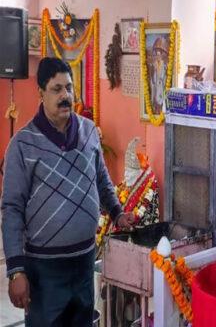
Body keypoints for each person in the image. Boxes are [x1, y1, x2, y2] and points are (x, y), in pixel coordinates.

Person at [1, 57, 136, 326]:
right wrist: (16, 271)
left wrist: (118, 214)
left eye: (69, 88)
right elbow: (12, 209)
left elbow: (101, 179)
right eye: (56, 89)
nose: (65, 96)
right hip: (44, 270)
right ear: (40, 93)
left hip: (84, 263)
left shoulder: (88, 131)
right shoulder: (23, 145)